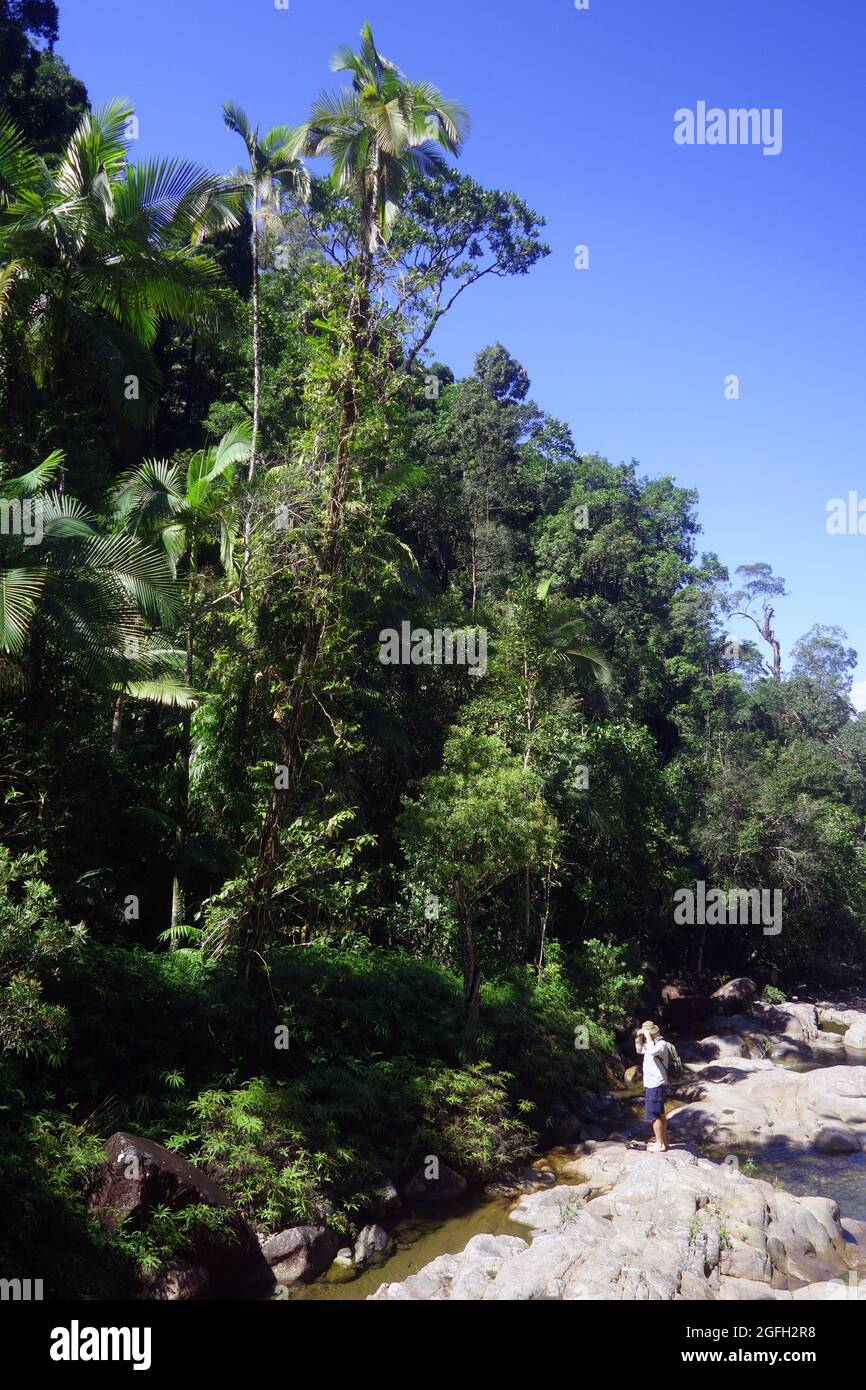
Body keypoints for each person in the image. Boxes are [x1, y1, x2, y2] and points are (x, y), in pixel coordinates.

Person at [635, 1020, 670, 1152]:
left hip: (656, 1084)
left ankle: (660, 1144)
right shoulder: (651, 1044)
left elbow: (653, 1051)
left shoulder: (661, 1044)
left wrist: (648, 1037)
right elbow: (639, 1050)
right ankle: (664, 1143)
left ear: (652, 1033)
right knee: (660, 1114)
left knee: (654, 1115)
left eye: (646, 1033)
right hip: (652, 1083)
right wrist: (639, 1038)